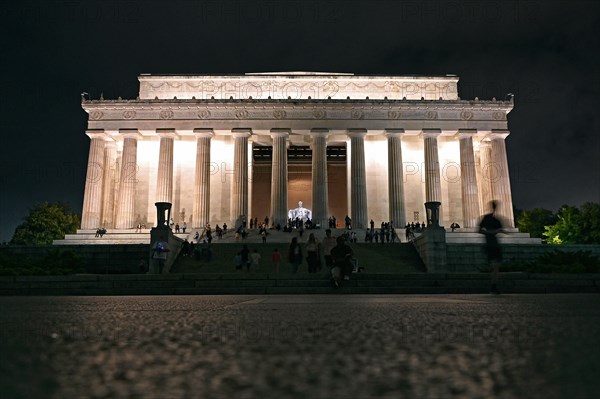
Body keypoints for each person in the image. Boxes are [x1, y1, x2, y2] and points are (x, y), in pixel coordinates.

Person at [479, 201, 504, 294]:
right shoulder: (489, 218)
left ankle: (493, 284)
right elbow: (480, 230)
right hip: (491, 244)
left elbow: (480, 230)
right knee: (495, 266)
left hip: (493, 244)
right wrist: (492, 232)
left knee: (495, 266)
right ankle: (493, 285)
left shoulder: (494, 219)